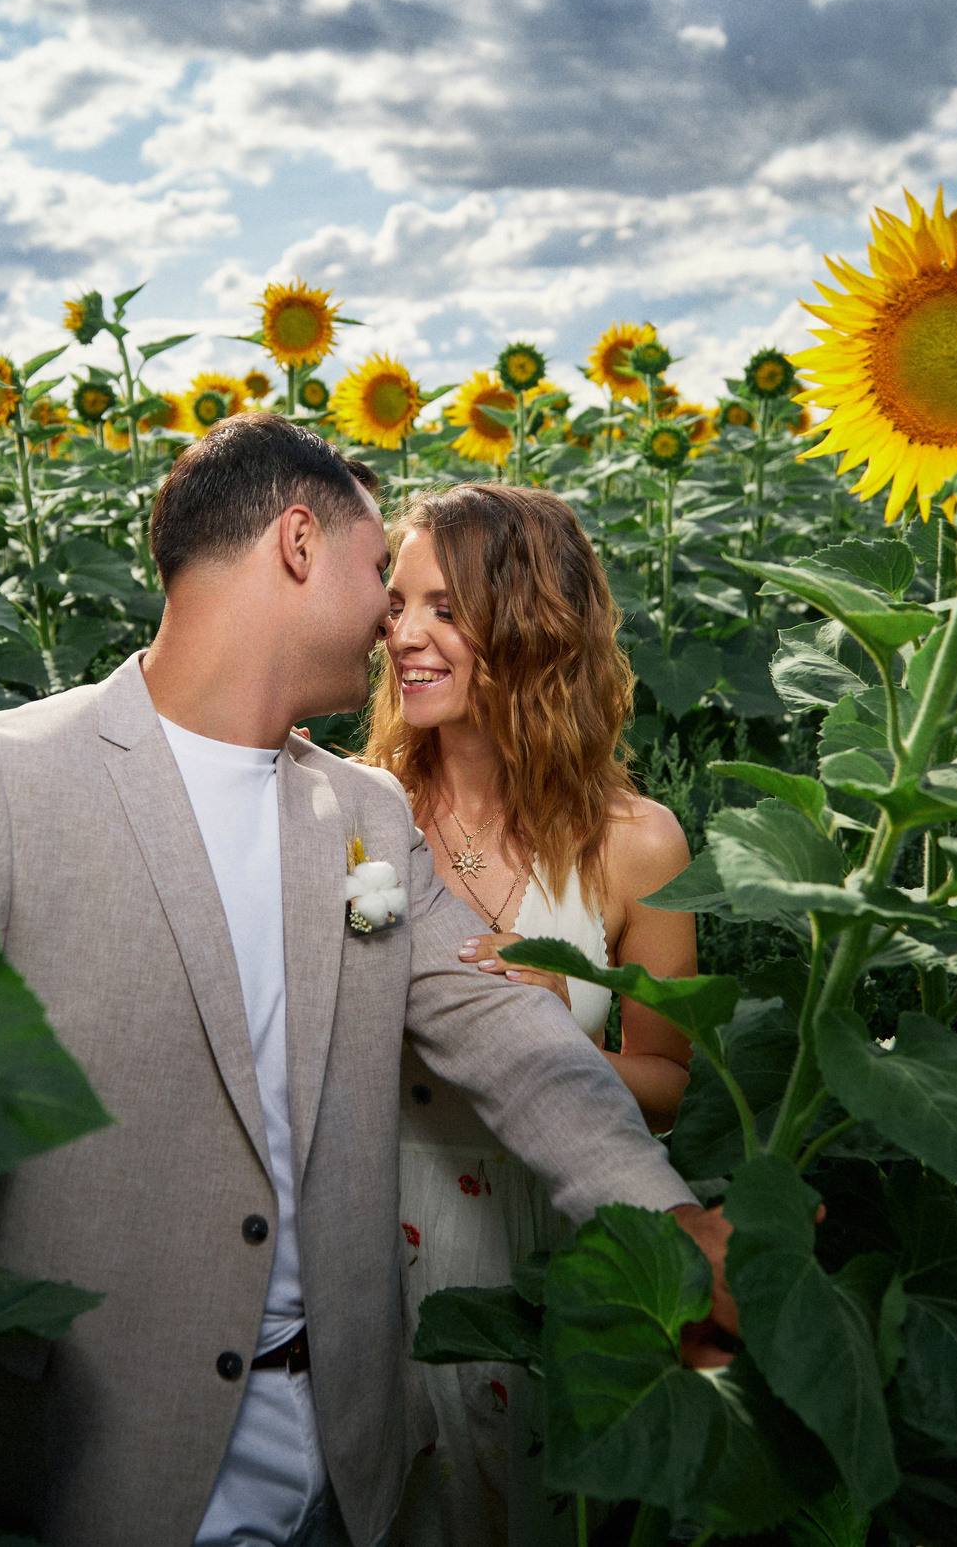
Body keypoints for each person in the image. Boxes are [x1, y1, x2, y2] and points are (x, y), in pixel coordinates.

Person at [0, 415, 732, 1547]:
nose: (388, 617)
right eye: (381, 573)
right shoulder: (5, 781)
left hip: (340, 1462)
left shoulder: (361, 814)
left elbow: (509, 1036)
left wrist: (669, 1219)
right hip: (84, 1458)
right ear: (299, 542)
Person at [365, 485, 696, 1547]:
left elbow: (670, 1087)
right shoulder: (354, 809)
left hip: (546, 1241)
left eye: (446, 609)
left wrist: (558, 1023)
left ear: (534, 628)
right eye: (397, 601)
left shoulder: (636, 845)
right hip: (374, 1230)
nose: (404, 634)